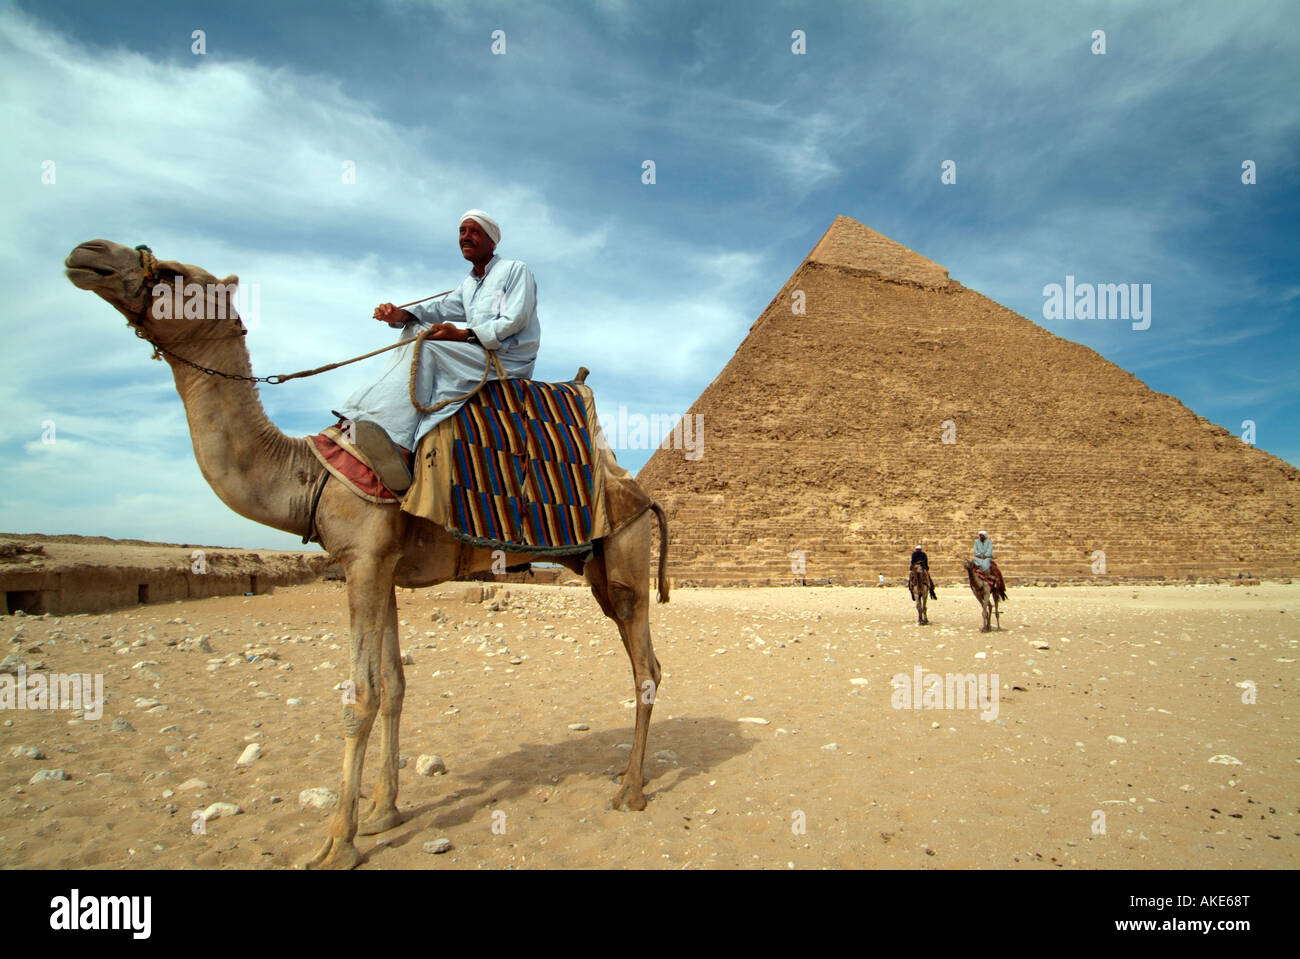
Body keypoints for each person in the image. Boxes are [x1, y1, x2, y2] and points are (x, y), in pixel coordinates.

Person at [337, 210, 540, 492]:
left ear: (492, 242)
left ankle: (400, 442)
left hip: (507, 357)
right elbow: (437, 309)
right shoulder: (468, 285)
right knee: (415, 330)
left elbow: (515, 320)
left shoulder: (516, 270)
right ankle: (364, 414)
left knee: (429, 346)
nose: (465, 237)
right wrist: (400, 314)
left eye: (474, 231)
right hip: (478, 349)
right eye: (461, 231)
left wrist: (461, 334)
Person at [973, 531, 1007, 600]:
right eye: (980, 535)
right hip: (979, 559)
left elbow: (989, 550)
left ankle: (996, 584)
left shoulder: (988, 543)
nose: (980, 537)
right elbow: (976, 551)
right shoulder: (977, 542)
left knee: (995, 571)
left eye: (982, 535)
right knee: (972, 570)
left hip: (986, 559)